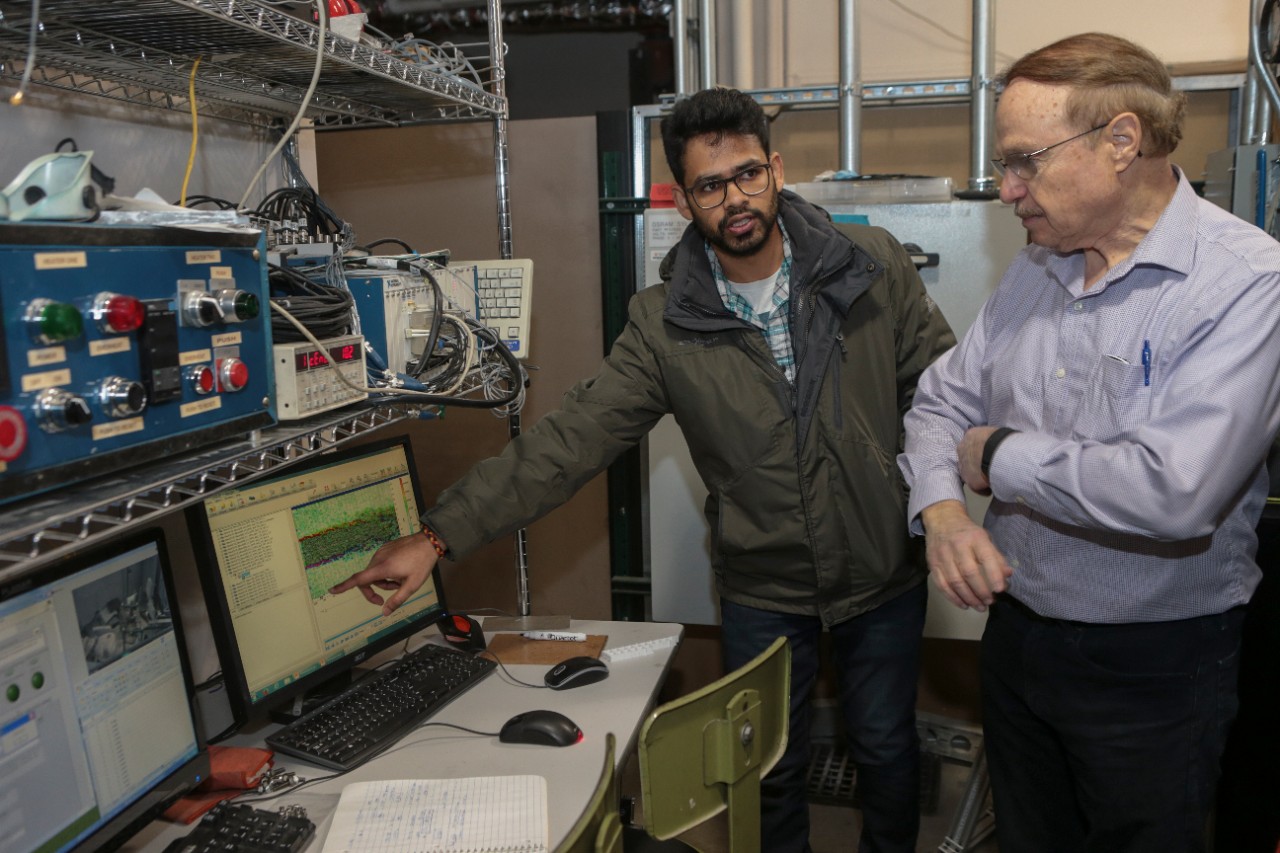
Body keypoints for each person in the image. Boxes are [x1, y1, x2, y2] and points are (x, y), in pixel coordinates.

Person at [330, 87, 955, 852]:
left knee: (887, 749)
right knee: (767, 765)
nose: (736, 199)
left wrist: (953, 499)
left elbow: (942, 391)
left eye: (749, 174)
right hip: (764, 583)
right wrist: (435, 536)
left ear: (777, 168)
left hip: (880, 571)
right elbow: (569, 441)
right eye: (710, 185)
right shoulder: (664, 323)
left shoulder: (871, 266)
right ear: (684, 199)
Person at [898, 32, 1280, 853]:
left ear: (1120, 142)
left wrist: (996, 454)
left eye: (1025, 160)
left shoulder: (1248, 283)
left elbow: (1175, 491)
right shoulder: (1038, 265)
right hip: (1019, 635)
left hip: (1155, 665)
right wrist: (944, 511)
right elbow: (937, 401)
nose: (1008, 190)